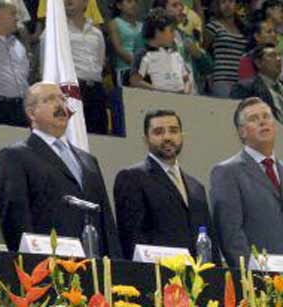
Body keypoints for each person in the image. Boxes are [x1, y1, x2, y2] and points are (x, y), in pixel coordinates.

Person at [0, 82, 121, 256]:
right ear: (31, 113)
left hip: (94, 262)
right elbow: (15, 220)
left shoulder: (88, 160)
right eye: (50, 99)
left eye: (62, 99)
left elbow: (106, 220)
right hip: (48, 263)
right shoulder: (15, 156)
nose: (60, 105)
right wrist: (30, 263)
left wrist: (114, 262)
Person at [113, 110, 219, 260]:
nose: (167, 137)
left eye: (173, 131)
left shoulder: (196, 187)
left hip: (199, 272)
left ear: (182, 136)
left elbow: (209, 239)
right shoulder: (132, 178)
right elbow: (131, 240)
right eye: (158, 132)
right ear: (146, 139)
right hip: (158, 271)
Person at [210, 97, 283, 268]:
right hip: (260, 276)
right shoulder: (227, 172)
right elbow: (231, 234)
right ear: (242, 131)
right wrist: (251, 275)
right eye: (253, 119)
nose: (262, 122)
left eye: (266, 116)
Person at [43, 0, 108, 133]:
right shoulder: (54, 29)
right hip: (68, 90)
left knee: (100, 136)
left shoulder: (96, 33)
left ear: (85, 2)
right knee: (70, 134)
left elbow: (100, 61)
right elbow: (46, 64)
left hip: (95, 90)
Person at [129, 9, 191, 94]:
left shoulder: (174, 54)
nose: (174, 35)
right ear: (158, 32)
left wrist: (185, 93)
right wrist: (162, 92)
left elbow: (186, 79)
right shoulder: (142, 55)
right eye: (171, 31)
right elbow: (135, 81)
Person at [204, 0, 248, 98]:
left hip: (241, 80)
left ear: (236, 5)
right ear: (218, 6)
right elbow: (204, 52)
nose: (227, 5)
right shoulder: (213, 26)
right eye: (223, 2)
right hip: (221, 78)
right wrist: (208, 76)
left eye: (231, 1)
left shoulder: (243, 29)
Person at [231, 45, 283, 123]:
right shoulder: (245, 88)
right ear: (258, 63)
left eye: (279, 55)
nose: (279, 59)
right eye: (272, 56)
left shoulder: (280, 86)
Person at [108, 0, 142, 85]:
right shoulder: (115, 23)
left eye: (135, 1)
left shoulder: (142, 25)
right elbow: (118, 48)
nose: (133, 4)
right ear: (119, 6)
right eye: (129, 1)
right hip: (125, 70)